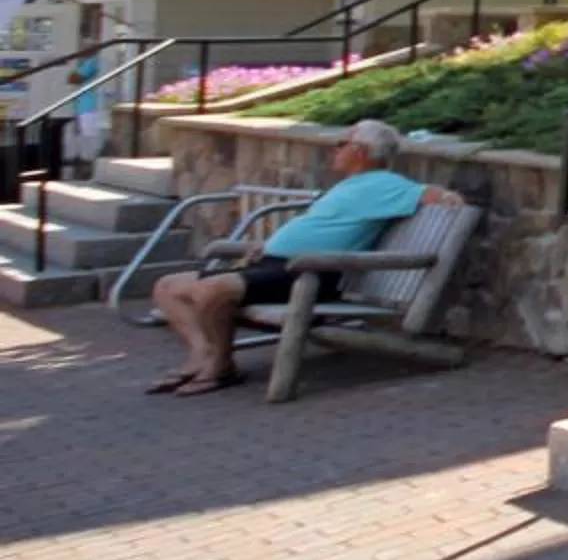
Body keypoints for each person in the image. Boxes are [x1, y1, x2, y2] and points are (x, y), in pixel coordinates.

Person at [145, 119, 458, 396]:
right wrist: (267, 244)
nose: (333, 150)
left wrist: (448, 199)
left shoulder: (388, 185)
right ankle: (203, 353)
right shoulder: (351, 186)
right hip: (274, 265)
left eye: (341, 144)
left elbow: (438, 196)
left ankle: (221, 365)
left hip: (306, 273)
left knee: (210, 291)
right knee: (167, 287)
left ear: (361, 151)